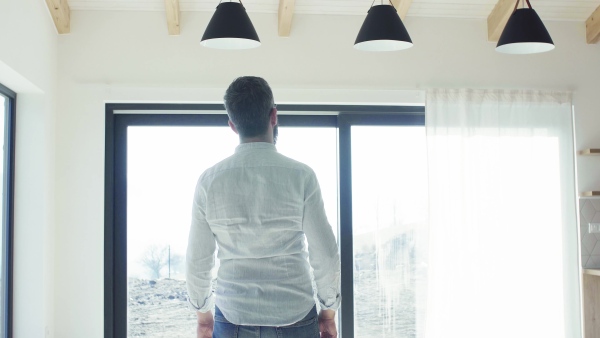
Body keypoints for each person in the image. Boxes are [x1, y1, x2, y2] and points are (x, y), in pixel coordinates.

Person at [186, 76, 341, 338]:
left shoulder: (209, 181)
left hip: (233, 315)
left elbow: (197, 260)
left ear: (232, 125)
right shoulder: (302, 176)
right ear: (274, 116)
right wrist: (327, 312)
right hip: (295, 315)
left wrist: (203, 318)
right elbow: (325, 254)